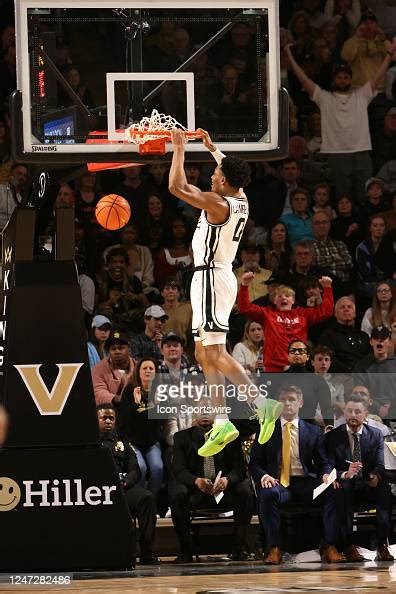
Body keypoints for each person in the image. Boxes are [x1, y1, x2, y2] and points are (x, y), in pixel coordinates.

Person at [168, 128, 282, 456]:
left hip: (211, 279)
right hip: (214, 277)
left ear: (224, 183)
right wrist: (213, 149)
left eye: (216, 173)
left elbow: (176, 186)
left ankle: (262, 404)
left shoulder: (218, 204)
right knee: (204, 354)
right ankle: (221, 423)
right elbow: (237, 178)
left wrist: (179, 149)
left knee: (216, 353)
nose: (212, 176)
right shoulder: (240, 200)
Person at [284, 38, 396, 203]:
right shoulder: (325, 98)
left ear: (350, 80)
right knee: (342, 200)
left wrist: (389, 55)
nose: (342, 80)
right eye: (339, 77)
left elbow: (378, 77)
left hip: (362, 152)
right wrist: (289, 55)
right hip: (337, 154)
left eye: (346, 77)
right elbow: (303, 79)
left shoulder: (361, 95)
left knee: (365, 198)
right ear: (334, 80)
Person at [249, 385, 345, 564]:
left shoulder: (313, 431)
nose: (287, 403)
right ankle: (273, 547)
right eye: (283, 400)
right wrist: (264, 476)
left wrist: (326, 475)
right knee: (267, 494)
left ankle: (330, 545)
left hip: (305, 482)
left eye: (291, 399)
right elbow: (254, 463)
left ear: (300, 403)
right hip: (278, 483)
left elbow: (323, 461)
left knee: (335, 491)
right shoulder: (266, 429)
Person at [170, 414, 255, 563]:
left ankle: (239, 547)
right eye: (201, 410)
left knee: (245, 491)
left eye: (208, 410)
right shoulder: (181, 437)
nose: (204, 414)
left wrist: (227, 480)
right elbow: (179, 471)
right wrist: (196, 481)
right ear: (194, 414)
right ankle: (186, 550)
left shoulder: (229, 435)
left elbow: (240, 469)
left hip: (224, 491)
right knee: (177, 493)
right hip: (196, 491)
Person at [324, 394, 394, 562]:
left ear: (365, 414)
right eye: (349, 411)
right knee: (344, 489)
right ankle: (348, 546)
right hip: (345, 483)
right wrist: (345, 474)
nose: (353, 415)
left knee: (383, 490)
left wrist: (374, 476)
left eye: (357, 411)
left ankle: (382, 544)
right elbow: (329, 465)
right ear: (345, 413)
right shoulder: (333, 436)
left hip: (367, 482)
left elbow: (379, 463)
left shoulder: (376, 434)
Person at [97, 404, 160, 565]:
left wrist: (125, 483)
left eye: (112, 418)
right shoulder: (90, 443)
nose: (108, 421)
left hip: (122, 488)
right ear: (96, 420)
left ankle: (147, 552)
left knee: (146, 498)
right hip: (97, 492)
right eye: (104, 418)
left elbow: (134, 468)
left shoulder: (122, 441)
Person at [238, 275, 334, 372]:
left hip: (297, 367)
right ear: (275, 301)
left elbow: (326, 311)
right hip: (273, 367)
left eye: (287, 296)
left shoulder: (303, 314)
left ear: (293, 301)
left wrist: (327, 288)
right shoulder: (267, 313)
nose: (283, 297)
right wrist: (244, 285)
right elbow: (244, 307)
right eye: (279, 296)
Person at [119, 358, 163, 497]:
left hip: (152, 441)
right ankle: (139, 501)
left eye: (151, 368)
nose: (148, 371)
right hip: (132, 440)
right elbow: (125, 419)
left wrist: (157, 405)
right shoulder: (130, 390)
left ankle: (151, 503)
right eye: (145, 368)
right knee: (141, 468)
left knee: (157, 468)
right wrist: (136, 404)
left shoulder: (160, 392)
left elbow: (162, 421)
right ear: (138, 371)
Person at [353, 325, 396, 421]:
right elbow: (359, 393)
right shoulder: (362, 365)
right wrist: (378, 408)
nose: (379, 342)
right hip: (370, 411)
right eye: (376, 339)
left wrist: (391, 407)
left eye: (383, 339)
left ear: (389, 342)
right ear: (371, 342)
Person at [319, 296, 371, 372]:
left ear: (355, 313)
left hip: (363, 375)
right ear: (336, 314)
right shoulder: (328, 335)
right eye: (342, 307)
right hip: (340, 377)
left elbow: (369, 358)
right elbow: (328, 359)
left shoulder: (363, 336)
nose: (346, 309)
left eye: (349, 307)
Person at [92, 331, 135, 405]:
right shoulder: (99, 369)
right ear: (109, 351)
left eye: (121, 348)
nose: (117, 351)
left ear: (129, 349)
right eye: (113, 349)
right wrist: (116, 399)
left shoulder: (139, 367)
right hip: (110, 410)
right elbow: (98, 392)